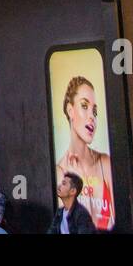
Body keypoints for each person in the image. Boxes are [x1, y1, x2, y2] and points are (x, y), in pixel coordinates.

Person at [55, 75, 115, 231]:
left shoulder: (105, 163)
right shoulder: (60, 172)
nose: (91, 117)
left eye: (94, 111)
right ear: (70, 110)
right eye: (84, 106)